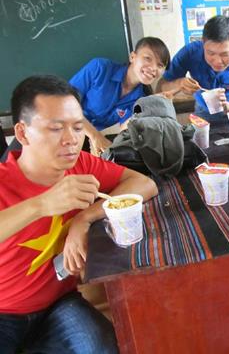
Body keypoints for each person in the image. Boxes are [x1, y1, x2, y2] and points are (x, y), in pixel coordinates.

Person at [0, 75, 158, 353]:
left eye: (77, 127)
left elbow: (144, 184)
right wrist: (42, 204)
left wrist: (83, 219)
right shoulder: (4, 181)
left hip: (59, 304)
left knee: (104, 346)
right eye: (56, 128)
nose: (71, 140)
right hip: (4, 312)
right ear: (23, 133)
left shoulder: (81, 165)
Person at [70, 36, 171, 155]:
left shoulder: (141, 98)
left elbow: (124, 128)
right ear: (132, 57)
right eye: (148, 58)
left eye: (160, 65)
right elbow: (64, 103)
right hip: (66, 131)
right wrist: (95, 136)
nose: (153, 68)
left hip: (95, 144)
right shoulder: (100, 68)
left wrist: (151, 105)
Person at [158, 15, 229, 124]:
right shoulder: (189, 53)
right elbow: (161, 88)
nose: (217, 61)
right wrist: (179, 83)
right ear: (203, 43)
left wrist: (227, 106)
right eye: (211, 53)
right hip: (203, 110)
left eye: (225, 54)